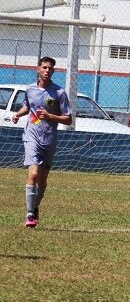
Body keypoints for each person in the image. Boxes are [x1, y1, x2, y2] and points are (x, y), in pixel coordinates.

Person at [11, 56, 72, 228]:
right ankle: (30, 214)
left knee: (43, 181)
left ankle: (35, 207)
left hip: (49, 139)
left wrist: (52, 116)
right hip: (31, 136)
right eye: (44, 67)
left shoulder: (59, 93)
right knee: (33, 175)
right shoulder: (30, 89)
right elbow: (28, 106)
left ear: (53, 71)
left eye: (50, 69)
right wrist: (18, 114)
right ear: (38, 69)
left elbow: (68, 119)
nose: (47, 70)